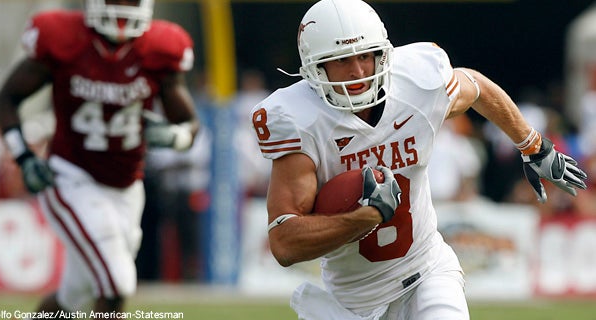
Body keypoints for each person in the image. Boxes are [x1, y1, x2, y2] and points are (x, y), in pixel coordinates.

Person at [249, 0, 588, 319]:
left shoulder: (415, 84)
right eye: (342, 60)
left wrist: (534, 146)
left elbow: (476, 86)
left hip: (427, 273)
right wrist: (359, 219)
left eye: (366, 56)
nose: (358, 71)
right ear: (315, 67)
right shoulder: (302, 121)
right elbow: (284, 242)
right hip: (351, 302)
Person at [0, 0, 198, 317]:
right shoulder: (63, 38)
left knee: (74, 297)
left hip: (128, 187)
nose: (122, 7)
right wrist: (22, 155)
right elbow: (6, 100)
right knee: (116, 284)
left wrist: (177, 137)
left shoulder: (161, 48)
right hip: (70, 176)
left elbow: (189, 123)